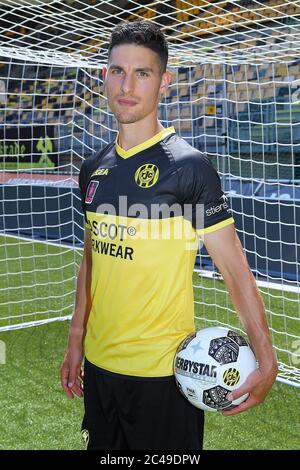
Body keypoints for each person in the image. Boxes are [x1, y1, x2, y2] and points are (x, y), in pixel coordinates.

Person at [60, 20, 278, 451]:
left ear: (163, 81)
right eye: (117, 70)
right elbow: (92, 259)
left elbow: (234, 270)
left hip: (164, 377)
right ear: (104, 76)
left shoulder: (189, 168)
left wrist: (266, 357)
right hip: (100, 370)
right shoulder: (93, 167)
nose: (127, 85)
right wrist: (75, 341)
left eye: (142, 73)